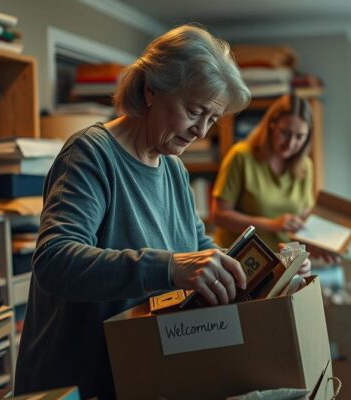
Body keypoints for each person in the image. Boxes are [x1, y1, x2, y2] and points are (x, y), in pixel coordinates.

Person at [15, 25, 254, 399]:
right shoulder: (91, 154)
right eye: (194, 111)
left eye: (213, 119)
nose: (201, 131)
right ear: (150, 90)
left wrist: (265, 267)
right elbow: (55, 261)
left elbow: (198, 247)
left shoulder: (173, 168)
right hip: (77, 382)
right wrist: (170, 267)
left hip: (139, 374)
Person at [212, 94, 322, 254]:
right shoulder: (241, 156)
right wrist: (272, 225)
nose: (290, 144)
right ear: (271, 125)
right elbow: (220, 215)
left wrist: (320, 245)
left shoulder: (305, 165)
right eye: (284, 133)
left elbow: (303, 213)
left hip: (282, 260)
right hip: (239, 260)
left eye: (299, 137)